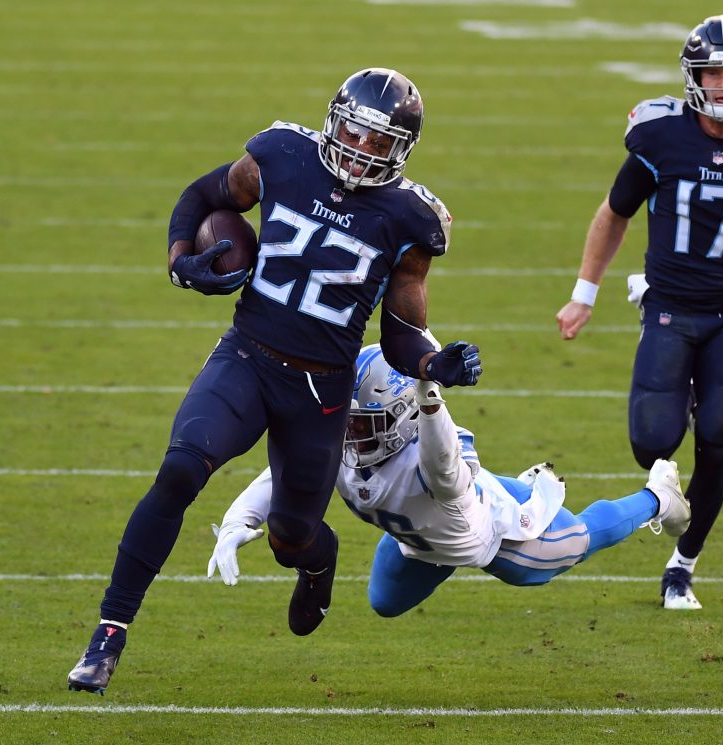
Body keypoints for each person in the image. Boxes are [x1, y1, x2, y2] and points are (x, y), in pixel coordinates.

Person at [67, 68, 484, 695]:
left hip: (320, 392)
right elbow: (202, 196)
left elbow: (401, 331)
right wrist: (184, 263)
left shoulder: (409, 219)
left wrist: (433, 364)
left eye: (379, 141)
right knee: (181, 469)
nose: (361, 148)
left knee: (291, 537)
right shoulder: (281, 155)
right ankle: (108, 633)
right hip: (248, 357)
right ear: (334, 118)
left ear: (401, 150)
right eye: (355, 131)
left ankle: (317, 559)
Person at [556, 16, 723, 610]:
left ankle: (683, 564)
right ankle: (675, 471)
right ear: (693, 76)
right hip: (669, 308)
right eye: (713, 71)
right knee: (652, 444)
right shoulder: (661, 138)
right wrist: (584, 293)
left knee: (719, 434)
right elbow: (613, 214)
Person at [207, 345, 691, 615]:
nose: (349, 435)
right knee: (384, 603)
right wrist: (235, 522)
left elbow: (443, 469)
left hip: (490, 536)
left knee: (575, 543)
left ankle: (657, 496)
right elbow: (284, 475)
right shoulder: (348, 439)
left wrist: (431, 398)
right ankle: (452, 530)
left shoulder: (434, 448)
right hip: (420, 539)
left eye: (361, 423)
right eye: (346, 422)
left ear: (403, 414)